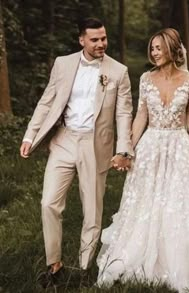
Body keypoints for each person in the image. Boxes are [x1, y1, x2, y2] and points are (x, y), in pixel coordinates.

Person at [96, 28, 189, 292]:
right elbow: (141, 116)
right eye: (152, 48)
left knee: (175, 201)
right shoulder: (146, 78)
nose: (154, 53)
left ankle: (173, 257)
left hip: (179, 144)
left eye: (159, 48)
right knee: (147, 200)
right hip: (151, 146)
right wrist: (127, 149)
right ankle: (138, 254)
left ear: (172, 48)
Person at [20, 17, 133, 287]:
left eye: (103, 38)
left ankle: (83, 269)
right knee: (48, 203)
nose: (101, 44)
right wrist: (29, 135)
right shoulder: (63, 63)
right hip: (63, 140)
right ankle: (55, 266)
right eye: (94, 39)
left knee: (92, 211)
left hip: (96, 145)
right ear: (81, 39)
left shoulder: (118, 71)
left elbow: (124, 114)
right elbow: (47, 101)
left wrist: (123, 150)